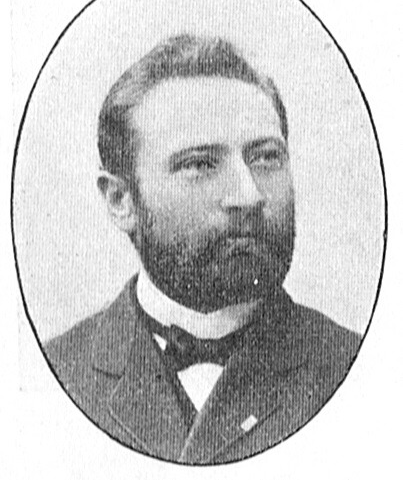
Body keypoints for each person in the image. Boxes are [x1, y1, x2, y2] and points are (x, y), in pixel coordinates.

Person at [45, 34, 361, 465]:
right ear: (121, 200)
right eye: (200, 164)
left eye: (266, 158)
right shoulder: (55, 376)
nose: (249, 196)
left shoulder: (356, 366)